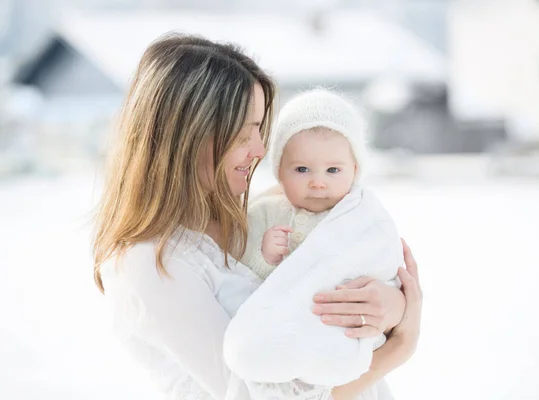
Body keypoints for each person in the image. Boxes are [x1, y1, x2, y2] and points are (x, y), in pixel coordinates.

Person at [92, 33, 423, 400]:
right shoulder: (151, 263)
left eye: (260, 128)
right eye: (245, 131)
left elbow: (326, 283)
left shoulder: (263, 215)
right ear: (189, 132)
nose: (262, 149)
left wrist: (391, 307)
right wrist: (398, 348)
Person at [225, 89, 402, 394]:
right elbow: (242, 276)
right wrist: (264, 255)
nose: (318, 181)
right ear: (280, 171)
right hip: (289, 334)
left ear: (355, 171)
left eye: (333, 170)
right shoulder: (266, 214)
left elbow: (384, 264)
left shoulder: (361, 216)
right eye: (302, 169)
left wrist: (394, 298)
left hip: (347, 334)